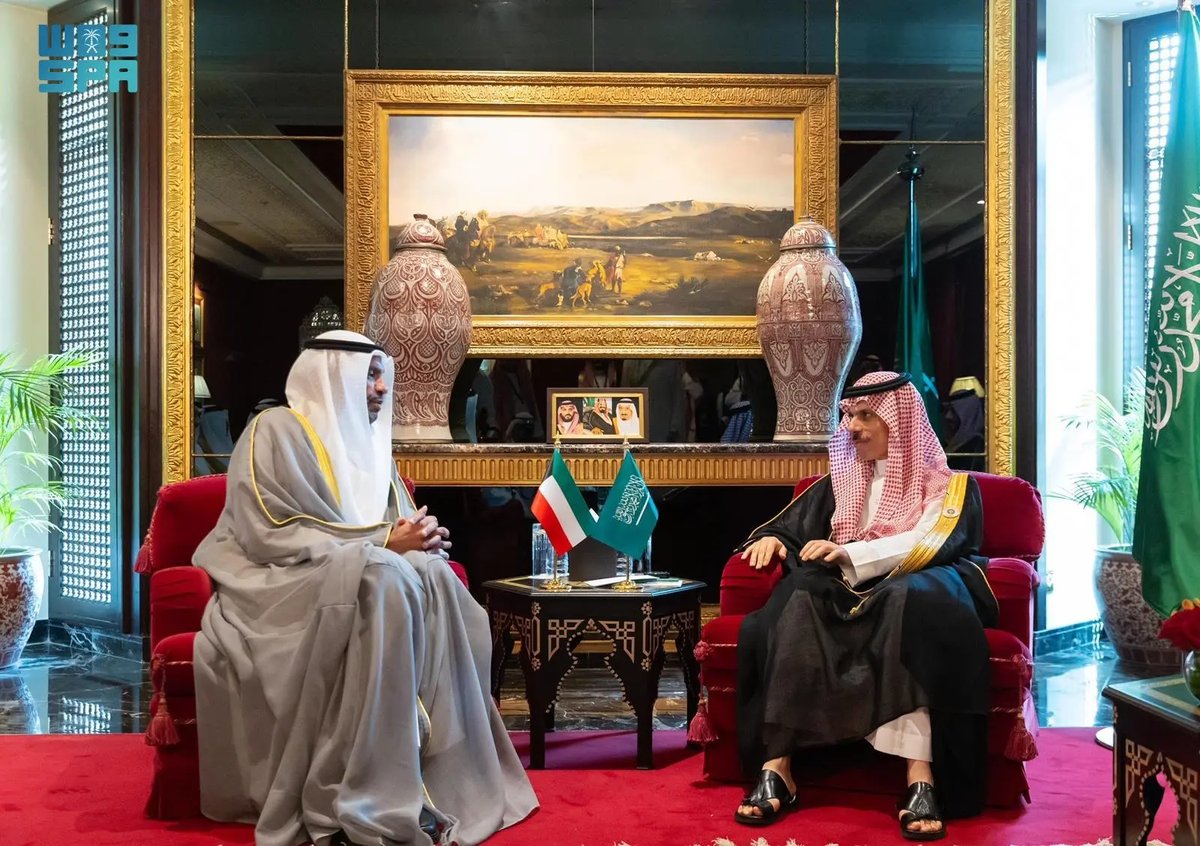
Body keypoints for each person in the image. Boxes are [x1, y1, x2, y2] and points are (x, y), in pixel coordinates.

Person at [192, 330, 537, 846]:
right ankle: (368, 795)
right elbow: (269, 531)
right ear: (332, 375)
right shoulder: (274, 430)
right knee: (385, 576)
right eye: (369, 376)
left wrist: (422, 539)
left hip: (358, 574)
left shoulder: (375, 447)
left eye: (382, 376)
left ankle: (435, 785)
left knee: (433, 577)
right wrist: (383, 543)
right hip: (280, 580)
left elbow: (398, 525)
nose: (380, 388)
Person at [732, 371, 996, 841]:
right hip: (843, 584)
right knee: (798, 596)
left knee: (910, 604)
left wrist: (851, 554)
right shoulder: (841, 481)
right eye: (850, 415)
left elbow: (929, 541)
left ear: (900, 421)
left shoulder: (949, 486)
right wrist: (775, 539)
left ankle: (920, 777)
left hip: (915, 583)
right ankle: (778, 767)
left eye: (866, 415)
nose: (852, 427)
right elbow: (794, 526)